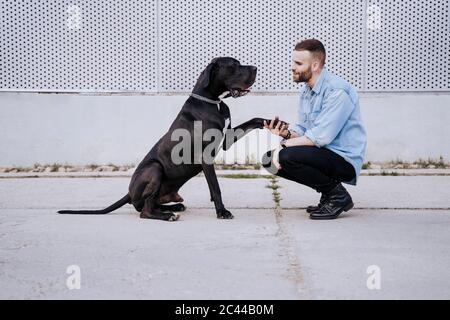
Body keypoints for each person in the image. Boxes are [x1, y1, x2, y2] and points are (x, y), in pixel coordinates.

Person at [263, 39, 367, 220]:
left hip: (344, 159)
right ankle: (328, 194)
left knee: (286, 156)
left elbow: (320, 137)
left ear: (315, 65)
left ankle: (337, 196)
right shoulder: (306, 91)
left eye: (298, 63)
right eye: (293, 62)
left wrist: (283, 147)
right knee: (268, 161)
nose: (292, 67)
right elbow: (303, 130)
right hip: (323, 153)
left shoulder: (337, 91)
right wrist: (284, 133)